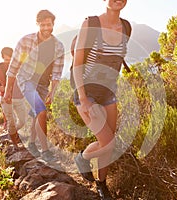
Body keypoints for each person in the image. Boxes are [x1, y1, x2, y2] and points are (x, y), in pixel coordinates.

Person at [72, 0, 130, 199]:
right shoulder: (91, 23)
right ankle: (82, 158)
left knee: (108, 146)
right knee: (108, 142)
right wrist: (83, 98)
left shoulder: (126, 27)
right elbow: (77, 63)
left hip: (108, 92)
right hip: (87, 92)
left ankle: (101, 184)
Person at [4, 10, 64, 161]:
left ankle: (31, 143)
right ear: (37, 24)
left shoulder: (58, 46)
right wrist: (8, 91)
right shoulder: (25, 41)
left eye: (48, 24)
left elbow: (57, 72)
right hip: (26, 80)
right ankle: (45, 150)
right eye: (42, 25)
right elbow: (13, 67)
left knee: (37, 113)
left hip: (44, 84)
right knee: (41, 111)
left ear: (53, 24)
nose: (45, 28)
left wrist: (53, 91)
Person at [0, 47, 26, 148]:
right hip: (5, 99)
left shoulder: (19, 66)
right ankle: (14, 144)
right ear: (2, 57)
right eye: (6, 59)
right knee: (11, 121)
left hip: (19, 97)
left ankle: (12, 134)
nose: (9, 62)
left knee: (23, 120)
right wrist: (2, 88)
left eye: (11, 59)